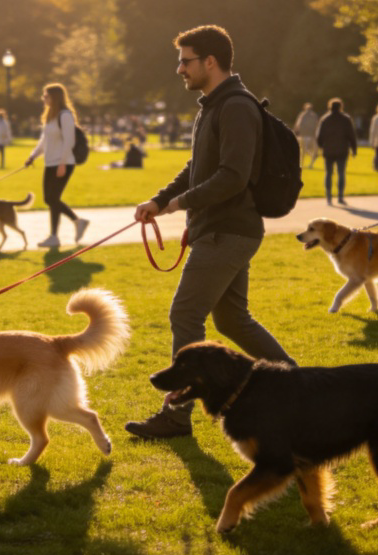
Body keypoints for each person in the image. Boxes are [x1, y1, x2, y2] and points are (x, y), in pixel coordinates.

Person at [125, 25, 297, 440]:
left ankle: (176, 417)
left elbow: (233, 177)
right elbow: (195, 169)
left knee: (185, 314)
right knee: (233, 320)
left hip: (227, 231)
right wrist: (160, 199)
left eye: (185, 61)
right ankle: (299, 386)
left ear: (210, 62)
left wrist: (178, 205)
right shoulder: (212, 105)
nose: (179, 68)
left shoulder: (236, 106)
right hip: (217, 230)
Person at [25, 83, 89, 249]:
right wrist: (32, 156)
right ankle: (75, 223)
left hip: (63, 163)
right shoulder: (50, 117)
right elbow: (44, 140)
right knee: (50, 199)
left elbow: (69, 140)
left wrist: (62, 163)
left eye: (46, 96)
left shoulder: (65, 115)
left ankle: (56, 234)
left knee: (52, 199)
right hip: (50, 162)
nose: (43, 99)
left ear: (55, 97)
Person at [316, 98, 358, 205]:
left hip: (328, 150)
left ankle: (329, 196)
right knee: (341, 173)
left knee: (328, 173)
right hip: (342, 150)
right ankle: (340, 196)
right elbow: (351, 135)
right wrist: (354, 149)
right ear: (340, 107)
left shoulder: (325, 119)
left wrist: (322, 146)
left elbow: (319, 136)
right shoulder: (346, 119)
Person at [294, 102, 319, 169]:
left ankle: (302, 164)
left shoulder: (302, 115)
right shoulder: (314, 115)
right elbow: (317, 125)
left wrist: (296, 133)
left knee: (303, 151)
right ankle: (310, 164)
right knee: (312, 151)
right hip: (311, 135)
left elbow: (298, 125)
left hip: (304, 135)